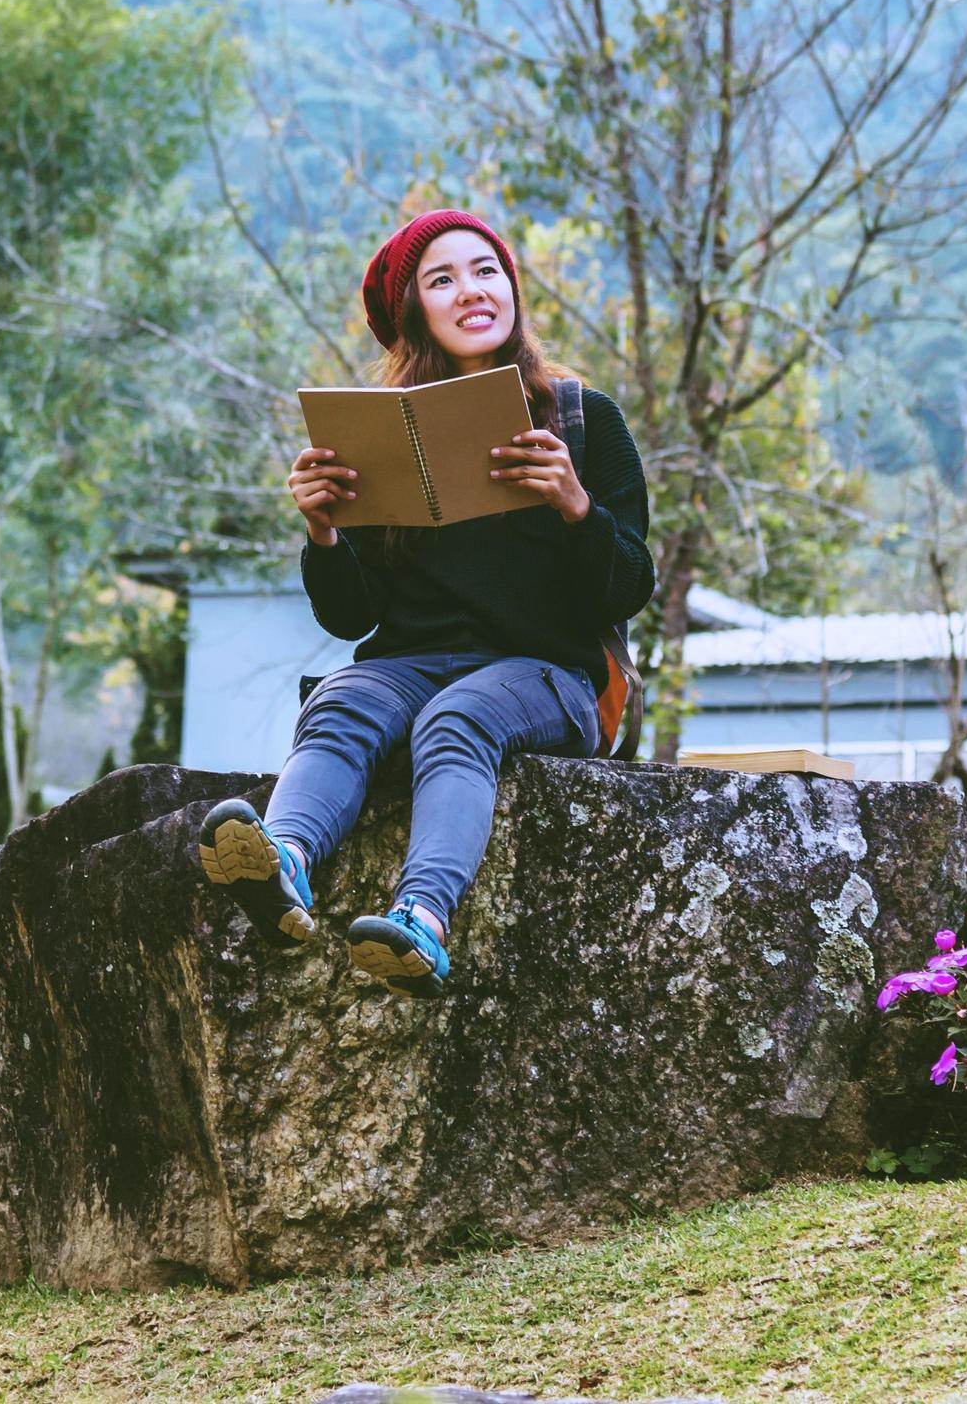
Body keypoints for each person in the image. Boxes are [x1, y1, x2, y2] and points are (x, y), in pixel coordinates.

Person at [193, 208, 654, 995]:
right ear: (413, 313)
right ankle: (285, 865)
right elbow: (351, 619)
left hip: (550, 676)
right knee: (339, 700)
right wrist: (323, 532)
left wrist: (577, 507)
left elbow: (629, 586)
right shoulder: (380, 435)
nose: (472, 290)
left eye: (485, 270)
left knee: (458, 717)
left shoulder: (582, 418)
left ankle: (421, 922)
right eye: (442, 280)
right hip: (409, 664)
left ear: (510, 288)